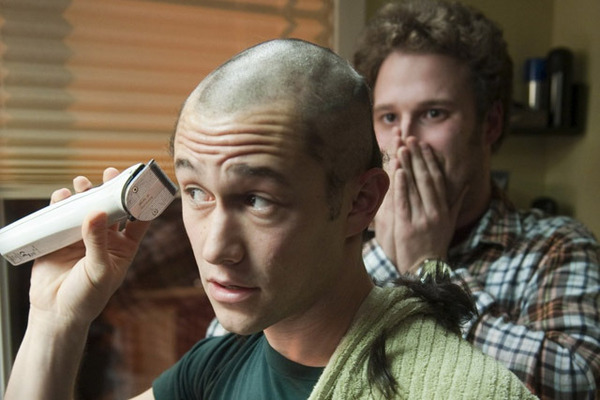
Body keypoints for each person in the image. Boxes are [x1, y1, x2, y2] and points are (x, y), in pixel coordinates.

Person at [4, 39, 537, 400]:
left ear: (360, 202)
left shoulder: (463, 389)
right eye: (196, 192)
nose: (215, 248)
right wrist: (56, 320)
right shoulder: (215, 367)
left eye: (258, 200)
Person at [352, 0, 600, 399]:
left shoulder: (555, 245)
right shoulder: (346, 242)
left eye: (433, 113)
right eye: (388, 117)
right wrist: (385, 250)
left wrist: (427, 271)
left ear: (491, 124)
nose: (404, 141)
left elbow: (579, 382)